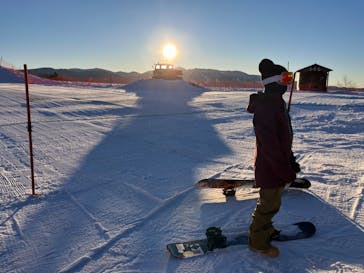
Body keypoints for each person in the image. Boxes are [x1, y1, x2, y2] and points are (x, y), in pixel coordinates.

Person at [247, 58, 298, 257]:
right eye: (285, 78)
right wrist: (285, 170)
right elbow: (270, 146)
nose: (288, 83)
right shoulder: (268, 107)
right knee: (268, 204)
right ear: (274, 82)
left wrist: (290, 158)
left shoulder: (276, 103)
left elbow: (282, 139)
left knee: (273, 202)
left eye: (290, 78)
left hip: (276, 163)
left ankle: (266, 228)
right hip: (270, 166)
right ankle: (257, 240)